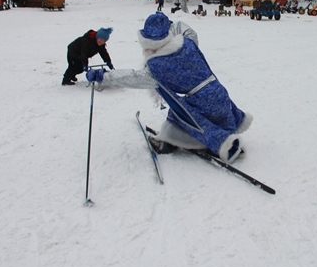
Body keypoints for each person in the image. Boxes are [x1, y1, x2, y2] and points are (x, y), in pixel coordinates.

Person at [86, 12, 251, 164]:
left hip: (203, 103)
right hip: (221, 95)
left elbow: (133, 78)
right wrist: (169, 23)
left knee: (179, 113)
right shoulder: (188, 43)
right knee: (198, 108)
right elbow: (188, 30)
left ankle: (169, 143)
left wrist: (104, 76)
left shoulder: (156, 66)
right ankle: (224, 136)